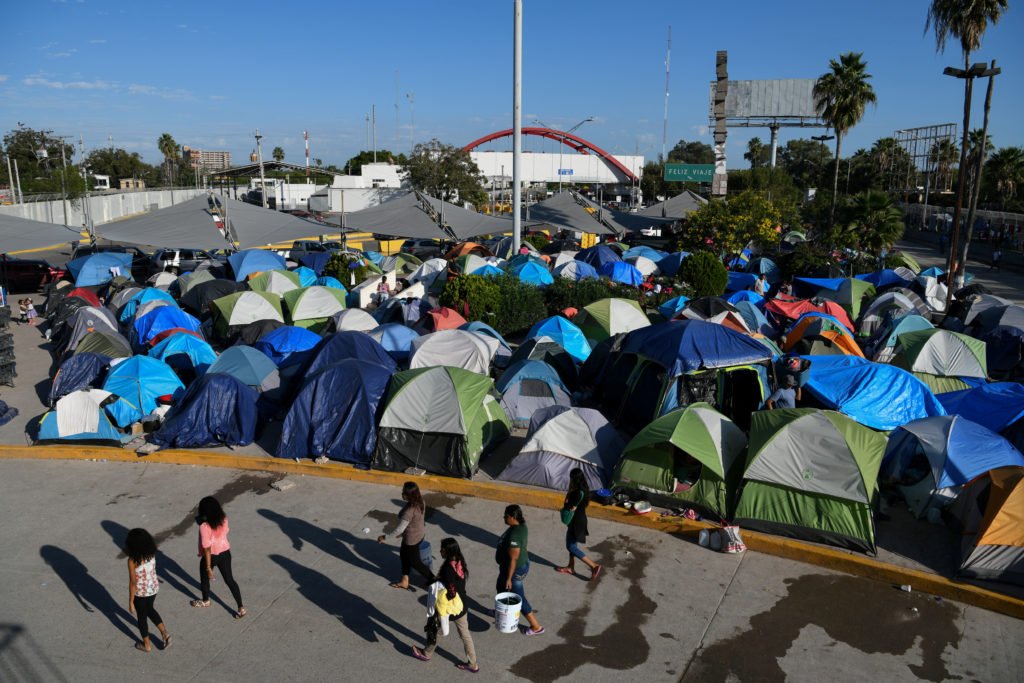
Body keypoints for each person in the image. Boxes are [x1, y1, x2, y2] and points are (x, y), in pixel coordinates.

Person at [412, 538, 479, 672]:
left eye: (442, 549)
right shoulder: (459, 560)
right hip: (462, 605)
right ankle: (473, 664)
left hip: (449, 607)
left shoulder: (448, 568)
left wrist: (442, 598)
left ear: (447, 551)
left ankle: (426, 653)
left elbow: (451, 590)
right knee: (465, 634)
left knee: (435, 630)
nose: (440, 551)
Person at [190, 496, 246, 618]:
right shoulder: (224, 519)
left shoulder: (204, 527)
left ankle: (205, 600)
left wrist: (209, 567)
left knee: (204, 578)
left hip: (211, 556)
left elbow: (207, 547)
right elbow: (225, 532)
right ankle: (241, 607)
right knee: (230, 580)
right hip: (225, 553)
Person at [495, 505, 544, 636]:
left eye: (505, 516)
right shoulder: (521, 526)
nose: (503, 518)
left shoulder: (515, 536)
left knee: (519, 598)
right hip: (509, 568)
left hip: (514, 570)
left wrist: (509, 578)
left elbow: (513, 559)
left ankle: (536, 626)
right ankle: (500, 611)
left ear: (512, 517)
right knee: (500, 586)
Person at [378, 481, 433, 590]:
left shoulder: (409, 511)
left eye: (404, 492)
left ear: (410, 495)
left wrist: (385, 537)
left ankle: (434, 580)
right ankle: (404, 581)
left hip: (411, 539)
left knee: (416, 563)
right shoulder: (421, 501)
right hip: (419, 534)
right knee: (403, 555)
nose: (402, 493)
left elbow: (399, 529)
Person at [124, 528, 171, 652]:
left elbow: (133, 583)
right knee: (150, 609)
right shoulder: (151, 553)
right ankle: (165, 633)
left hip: (140, 593)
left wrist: (130, 601)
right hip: (153, 589)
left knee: (142, 618)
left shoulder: (132, 560)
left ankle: (147, 645)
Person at [556, 468, 602, 581]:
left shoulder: (577, 493)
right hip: (578, 520)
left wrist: (565, 506)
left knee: (570, 546)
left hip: (575, 523)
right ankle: (570, 567)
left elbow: (570, 507)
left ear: (574, 479)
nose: (570, 480)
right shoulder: (584, 490)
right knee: (573, 546)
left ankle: (593, 566)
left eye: (571, 478)